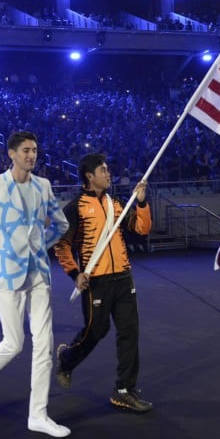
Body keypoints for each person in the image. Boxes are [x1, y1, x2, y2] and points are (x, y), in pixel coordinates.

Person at [0, 131, 71, 438]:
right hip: (6, 274)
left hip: (39, 274)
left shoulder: (43, 186)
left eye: (34, 150)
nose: (31, 155)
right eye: (26, 150)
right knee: (14, 343)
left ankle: (38, 415)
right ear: (11, 153)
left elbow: (61, 224)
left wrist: (42, 246)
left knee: (44, 345)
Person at [53, 153, 154, 413]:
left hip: (123, 277)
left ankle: (124, 390)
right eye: (103, 170)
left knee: (129, 332)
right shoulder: (75, 207)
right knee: (96, 331)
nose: (109, 174)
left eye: (108, 169)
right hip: (96, 282)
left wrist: (142, 203)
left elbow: (141, 229)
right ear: (90, 176)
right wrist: (75, 274)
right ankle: (67, 359)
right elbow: (62, 245)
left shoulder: (116, 203)